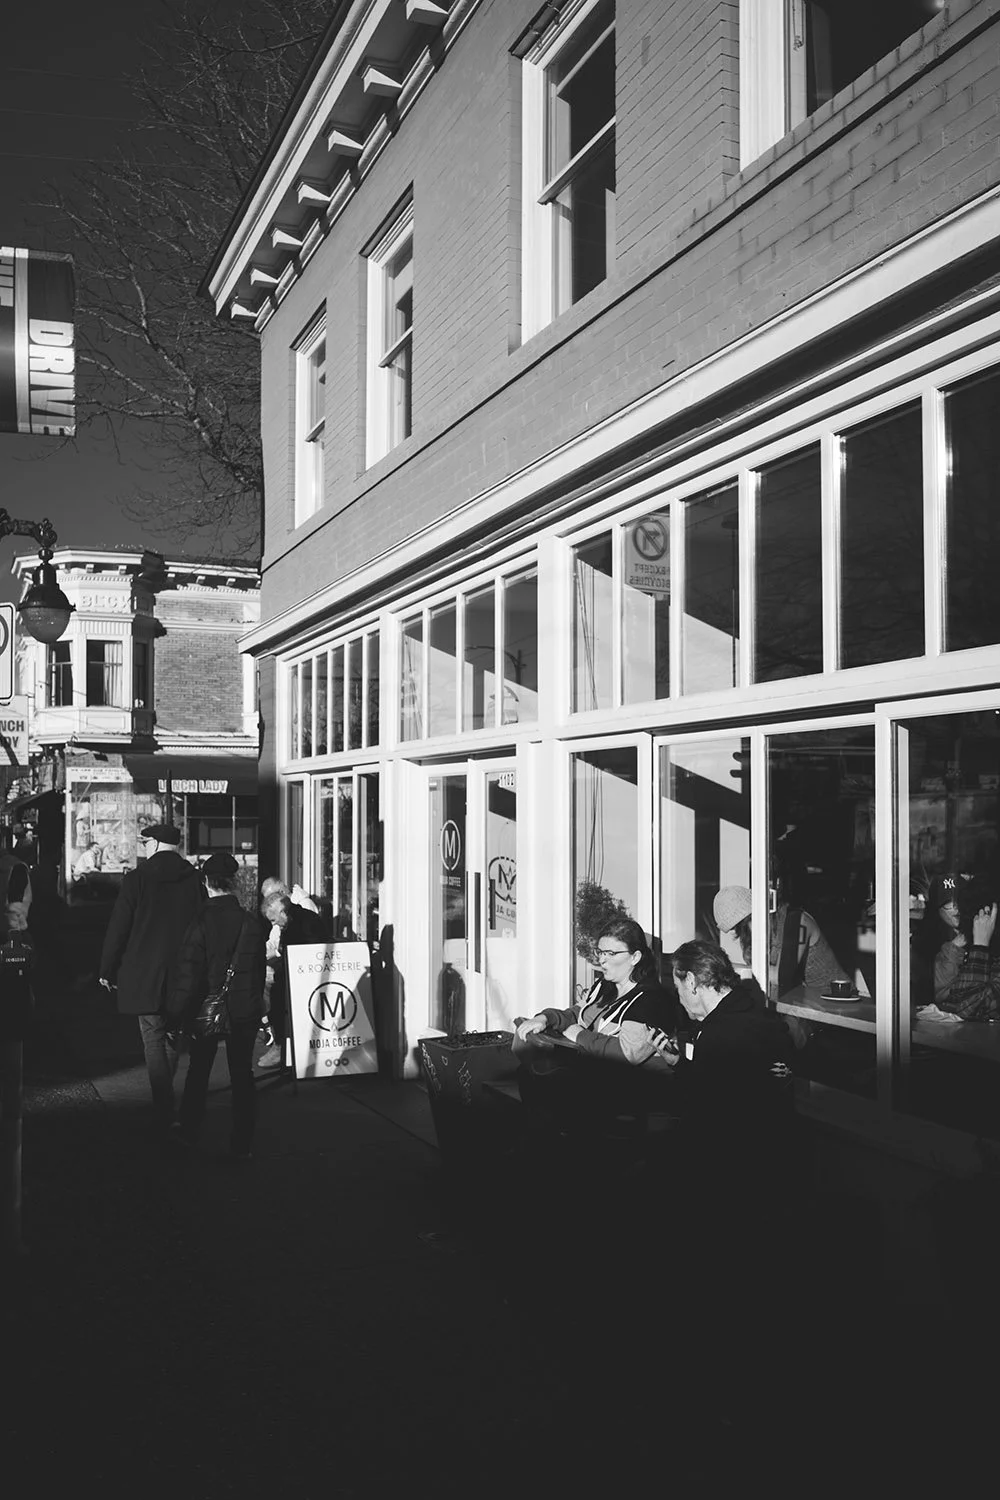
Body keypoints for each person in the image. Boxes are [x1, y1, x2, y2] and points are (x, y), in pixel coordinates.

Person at [513, 917, 678, 1131]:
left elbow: (626, 1054)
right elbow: (579, 1013)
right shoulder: (605, 985)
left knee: (547, 1088)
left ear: (635, 957)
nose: (602, 960)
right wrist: (546, 1018)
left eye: (611, 953)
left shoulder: (651, 1000)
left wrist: (578, 1035)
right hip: (596, 1080)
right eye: (600, 952)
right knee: (529, 1073)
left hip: (631, 1092)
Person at [99, 824, 203, 1133]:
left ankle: (163, 1106)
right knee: (171, 1034)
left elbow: (120, 925)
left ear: (156, 843)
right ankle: (166, 1103)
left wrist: (107, 968)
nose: (143, 846)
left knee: (153, 1037)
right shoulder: (194, 878)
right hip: (185, 971)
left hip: (144, 971)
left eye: (145, 842)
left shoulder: (138, 878)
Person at [166, 852, 266, 1158]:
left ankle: (190, 1129)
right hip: (243, 1009)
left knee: (199, 1071)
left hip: (206, 1007)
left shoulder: (200, 920)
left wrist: (175, 1015)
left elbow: (188, 973)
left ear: (207, 882)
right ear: (233, 882)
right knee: (242, 1074)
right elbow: (258, 971)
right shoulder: (250, 922)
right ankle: (242, 1142)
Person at [257, 881, 327, 1070]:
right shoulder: (292, 921)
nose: (274, 924)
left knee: (276, 994)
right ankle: (278, 1042)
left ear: (282, 912)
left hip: (313, 977)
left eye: (273, 920)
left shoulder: (305, 920)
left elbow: (312, 951)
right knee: (273, 987)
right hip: (302, 974)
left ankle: (279, 1045)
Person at [912, 872, 970, 1007]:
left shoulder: (981, 930)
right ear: (936, 909)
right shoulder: (927, 943)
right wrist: (954, 948)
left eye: (959, 901)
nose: (955, 908)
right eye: (948, 904)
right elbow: (941, 994)